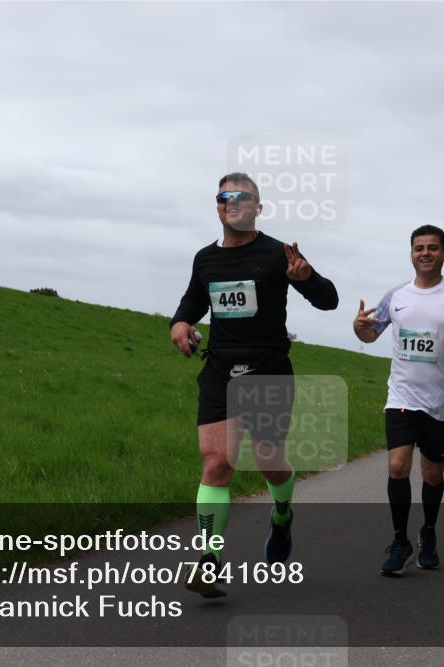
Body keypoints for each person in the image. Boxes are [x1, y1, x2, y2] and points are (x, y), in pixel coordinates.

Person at [170, 172, 339, 597]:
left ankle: (282, 513)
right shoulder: (205, 259)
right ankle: (209, 561)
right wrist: (181, 321)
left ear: (258, 208)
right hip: (220, 371)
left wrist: (305, 278)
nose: (235, 202)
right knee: (217, 464)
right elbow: (195, 298)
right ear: (218, 205)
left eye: (244, 197)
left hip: (267, 369)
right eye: (227, 196)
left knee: (267, 460)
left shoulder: (277, 253)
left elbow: (328, 298)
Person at [353, 224, 444, 576]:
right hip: (401, 396)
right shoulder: (396, 296)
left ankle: (428, 532)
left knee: (432, 474)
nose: (426, 253)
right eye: (419, 248)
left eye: (433, 247)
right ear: (412, 253)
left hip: (440, 402)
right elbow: (371, 334)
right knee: (398, 466)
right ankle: (399, 540)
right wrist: (358, 328)